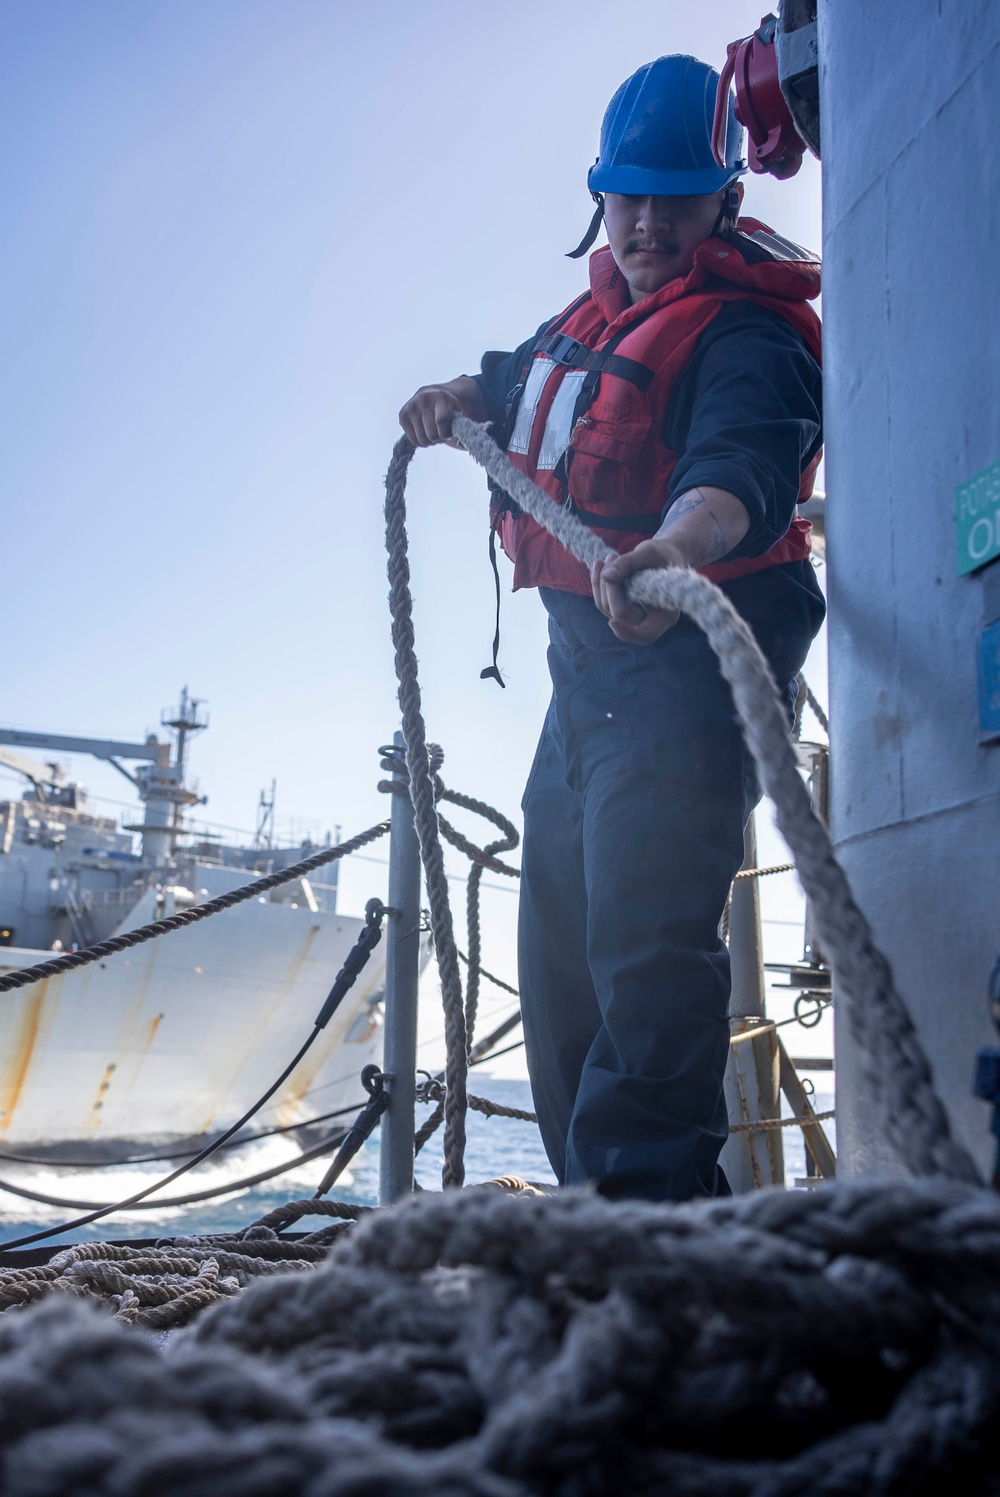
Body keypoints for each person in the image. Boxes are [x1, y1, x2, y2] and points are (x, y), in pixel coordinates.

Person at [399, 54, 824, 1202]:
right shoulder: (585, 321)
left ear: (722, 203)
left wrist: (671, 553)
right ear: (602, 197)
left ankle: (660, 1248)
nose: (646, 222)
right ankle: (595, 1222)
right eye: (628, 196)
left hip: (683, 668)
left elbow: (739, 467)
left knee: (646, 955)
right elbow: (522, 380)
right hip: (583, 680)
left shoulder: (747, 337)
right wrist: (455, 396)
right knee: (564, 961)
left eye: (675, 198)